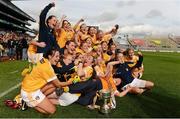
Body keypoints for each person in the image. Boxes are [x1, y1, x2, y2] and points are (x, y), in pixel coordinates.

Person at [20, 49, 74, 114]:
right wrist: (71, 82)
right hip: (29, 92)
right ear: (49, 56)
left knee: (53, 85)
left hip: (31, 86)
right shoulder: (47, 68)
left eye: (59, 56)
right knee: (52, 110)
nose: (58, 59)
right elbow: (58, 84)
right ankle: (29, 103)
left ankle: (39, 100)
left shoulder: (43, 59)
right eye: (56, 56)